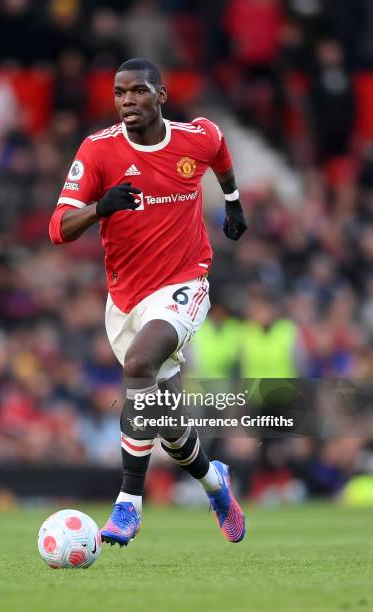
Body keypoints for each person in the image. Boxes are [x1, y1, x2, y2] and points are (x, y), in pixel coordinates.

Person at [49, 58, 247, 546]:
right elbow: (58, 228)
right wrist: (101, 208)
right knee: (170, 427)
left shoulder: (193, 138)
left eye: (138, 92)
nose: (127, 102)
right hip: (126, 301)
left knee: (139, 363)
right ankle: (214, 483)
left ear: (161, 95)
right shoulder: (97, 152)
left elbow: (219, 148)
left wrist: (234, 200)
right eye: (119, 94)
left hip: (185, 283)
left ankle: (127, 506)